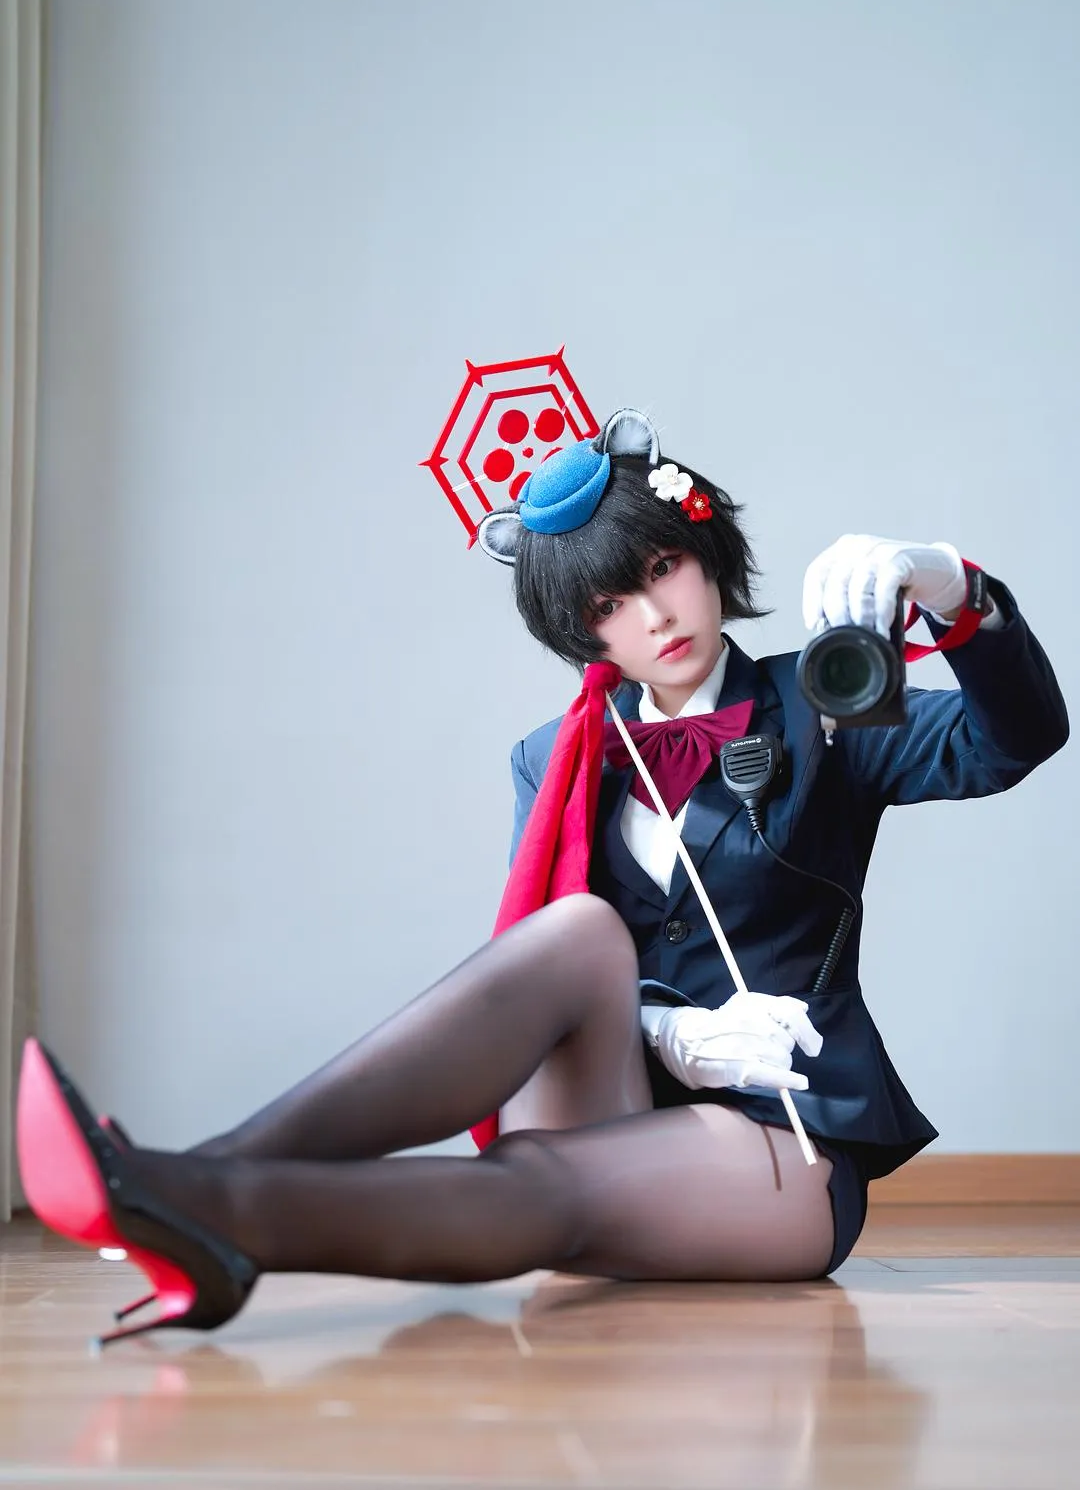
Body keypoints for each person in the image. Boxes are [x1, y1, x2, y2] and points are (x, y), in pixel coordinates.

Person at [17, 408, 1068, 1347]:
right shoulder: (559, 753)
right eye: (611, 602)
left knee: (538, 1180)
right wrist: (671, 1032)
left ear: (704, 552)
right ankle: (205, 1175)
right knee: (574, 931)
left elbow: (1012, 739)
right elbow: (545, 975)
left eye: (662, 568)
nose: (653, 615)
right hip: (609, 1096)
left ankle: (206, 1214)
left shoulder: (825, 703)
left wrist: (951, 586)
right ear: (581, 629)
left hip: (775, 1144)